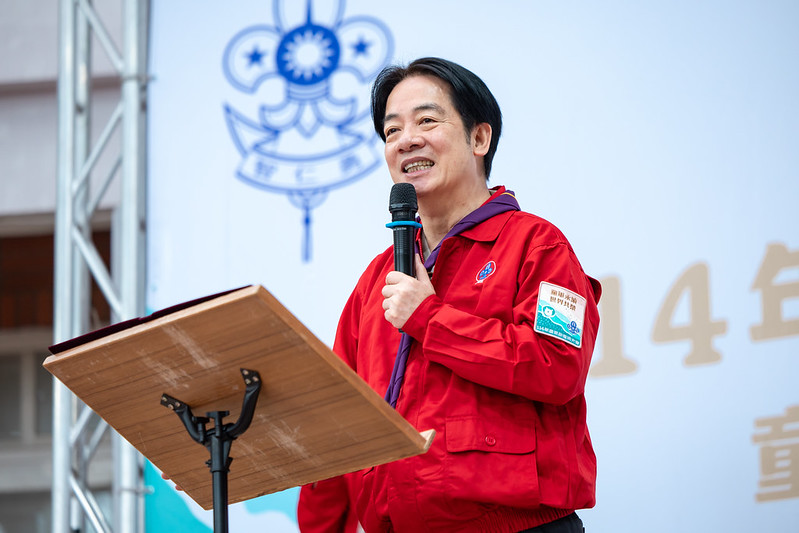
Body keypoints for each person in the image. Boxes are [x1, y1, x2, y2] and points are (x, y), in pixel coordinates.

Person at [298, 57, 601, 533]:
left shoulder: (537, 245)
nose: (406, 140)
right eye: (392, 130)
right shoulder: (375, 281)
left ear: (479, 139)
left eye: (426, 121)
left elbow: (556, 366)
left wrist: (428, 317)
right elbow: (339, 419)